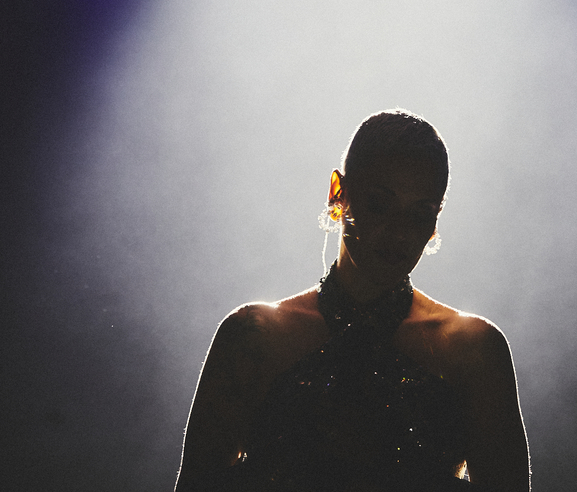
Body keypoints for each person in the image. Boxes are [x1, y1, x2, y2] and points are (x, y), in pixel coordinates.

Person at [175, 109, 531, 492]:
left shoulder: (475, 351)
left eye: (419, 212)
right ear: (338, 193)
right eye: (379, 203)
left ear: (436, 218)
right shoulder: (252, 339)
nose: (398, 232)